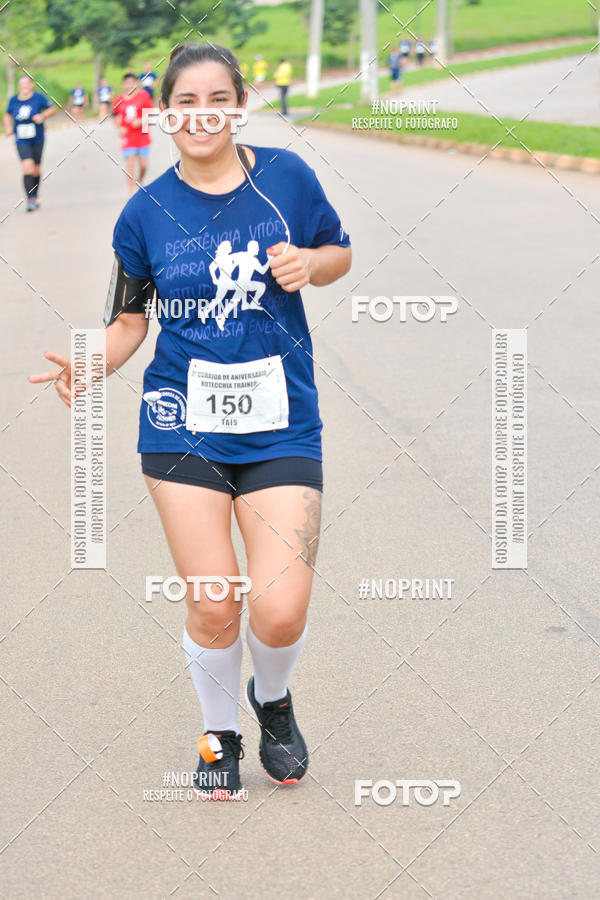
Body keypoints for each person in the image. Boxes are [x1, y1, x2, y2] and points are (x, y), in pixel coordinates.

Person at [29, 41, 352, 799]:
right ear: (163, 111)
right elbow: (129, 323)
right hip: (181, 423)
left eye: (219, 99)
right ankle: (219, 733)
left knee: (277, 611)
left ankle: (271, 700)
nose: (202, 114)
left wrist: (311, 264)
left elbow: (337, 250)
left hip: (281, 421)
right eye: (187, 101)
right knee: (213, 600)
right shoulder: (144, 212)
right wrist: (89, 359)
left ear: (239, 104)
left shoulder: (286, 178)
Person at [4, 74, 56, 211]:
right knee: (27, 167)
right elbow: (7, 114)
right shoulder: (13, 100)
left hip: (37, 138)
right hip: (21, 139)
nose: (24, 87)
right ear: (19, 86)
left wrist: (42, 116)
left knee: (36, 170)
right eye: (21, 84)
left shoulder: (39, 98)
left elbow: (52, 109)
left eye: (27, 84)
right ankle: (30, 199)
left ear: (32, 85)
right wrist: (8, 127)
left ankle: (36, 194)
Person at [112, 71, 154, 195]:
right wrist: (119, 127)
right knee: (130, 164)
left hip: (142, 135)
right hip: (127, 137)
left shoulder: (143, 96)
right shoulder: (119, 99)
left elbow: (151, 112)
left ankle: (139, 180)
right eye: (127, 83)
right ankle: (132, 193)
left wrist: (141, 121)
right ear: (123, 84)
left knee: (143, 165)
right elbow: (113, 116)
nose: (129, 85)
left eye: (132, 82)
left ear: (136, 83)